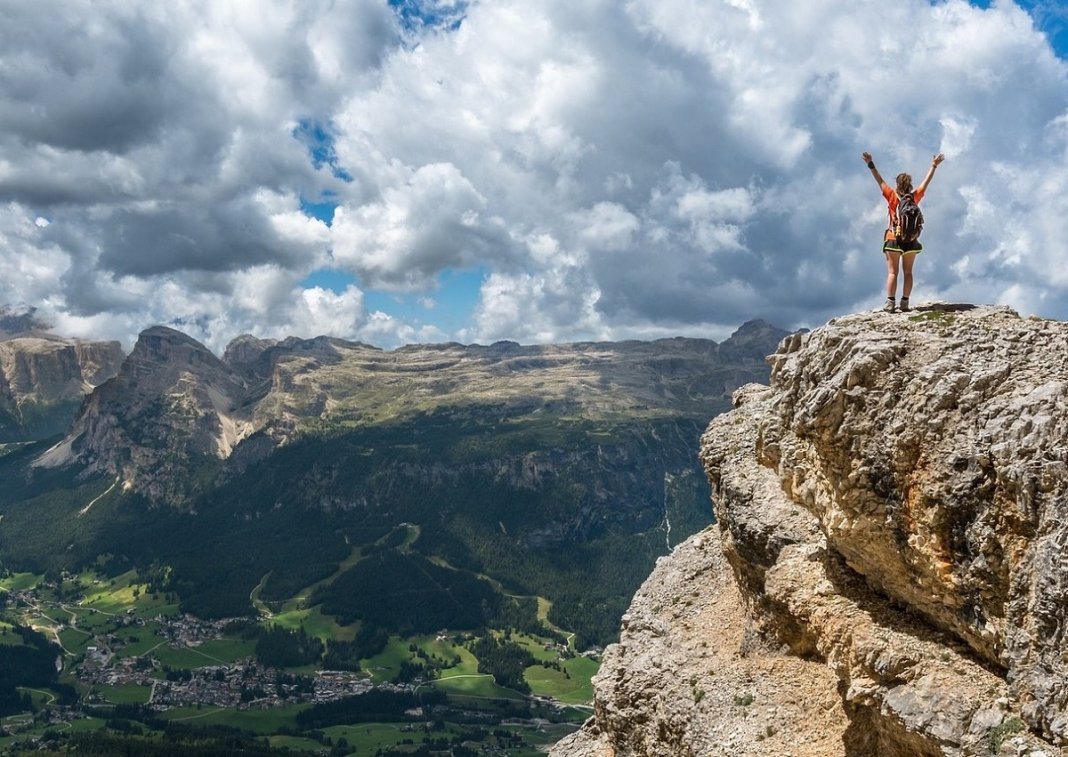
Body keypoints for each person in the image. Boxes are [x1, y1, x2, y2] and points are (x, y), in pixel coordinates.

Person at [862, 151, 945, 312]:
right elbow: (926, 182)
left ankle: (890, 303)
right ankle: (905, 302)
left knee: (893, 272)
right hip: (911, 240)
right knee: (908, 272)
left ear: (897, 185)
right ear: (909, 185)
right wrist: (933, 166)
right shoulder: (915, 197)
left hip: (893, 237)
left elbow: (879, 180)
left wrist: (870, 163)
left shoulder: (891, 196)